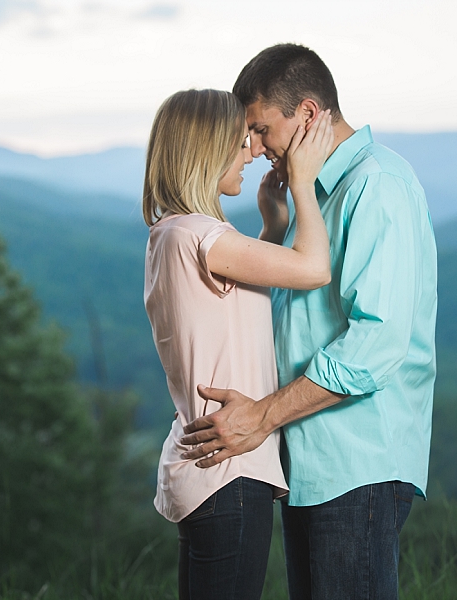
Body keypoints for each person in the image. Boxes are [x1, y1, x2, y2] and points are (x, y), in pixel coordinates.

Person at [179, 44, 438, 600]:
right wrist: (277, 225)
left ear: (309, 115)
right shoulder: (317, 189)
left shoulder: (376, 185)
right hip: (314, 457)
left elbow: (375, 344)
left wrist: (262, 418)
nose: (253, 148)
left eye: (261, 129)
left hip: (356, 459)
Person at [142, 88, 335, 600]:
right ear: (206, 150)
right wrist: (303, 184)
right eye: (240, 139)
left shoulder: (173, 234)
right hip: (231, 470)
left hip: (208, 469)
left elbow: (234, 294)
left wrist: (272, 226)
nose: (252, 150)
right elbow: (314, 269)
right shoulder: (202, 235)